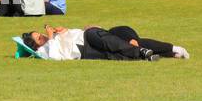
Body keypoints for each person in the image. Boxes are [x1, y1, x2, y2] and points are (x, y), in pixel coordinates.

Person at [23, 25, 189, 61]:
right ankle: (165, 53)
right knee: (114, 55)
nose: (44, 36)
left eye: (41, 34)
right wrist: (52, 37)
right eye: (39, 38)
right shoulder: (43, 51)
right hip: (83, 52)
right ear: (36, 45)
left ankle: (170, 48)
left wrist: (63, 31)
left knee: (117, 43)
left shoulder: (52, 39)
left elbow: (75, 33)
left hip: (88, 36)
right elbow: (53, 57)